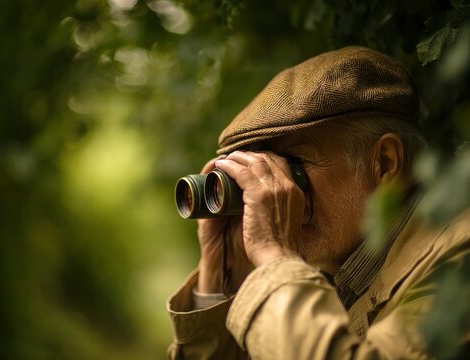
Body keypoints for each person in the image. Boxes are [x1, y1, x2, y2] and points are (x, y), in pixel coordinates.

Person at [166, 46, 470, 359]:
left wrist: (274, 256)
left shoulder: (459, 256)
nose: (278, 188)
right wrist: (218, 277)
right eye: (265, 169)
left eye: (293, 163)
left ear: (385, 164)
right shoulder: (333, 272)